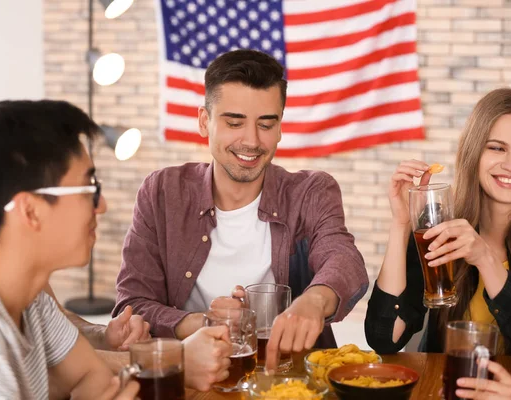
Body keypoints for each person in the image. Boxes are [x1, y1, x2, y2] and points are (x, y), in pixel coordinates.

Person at [0, 100, 231, 398]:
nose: (102, 206)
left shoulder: (27, 295)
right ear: (31, 211)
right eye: (89, 190)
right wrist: (179, 358)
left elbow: (90, 375)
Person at [113, 49, 368, 372]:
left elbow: (343, 258)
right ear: (205, 122)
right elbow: (131, 305)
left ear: (279, 128)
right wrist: (202, 323)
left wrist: (313, 301)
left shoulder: (311, 191)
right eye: (234, 122)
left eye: (266, 124)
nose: (251, 141)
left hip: (290, 380)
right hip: (192, 380)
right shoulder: (162, 191)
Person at [364, 88, 511, 393]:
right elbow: (384, 337)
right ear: (473, 153)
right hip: (445, 389)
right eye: (497, 148)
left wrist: (485, 258)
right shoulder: (439, 226)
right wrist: (401, 225)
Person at [0, 105, 150, 371]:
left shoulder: (16, 253)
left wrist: (102, 335)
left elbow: (53, 322)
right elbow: (49, 366)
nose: (100, 205)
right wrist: (163, 362)